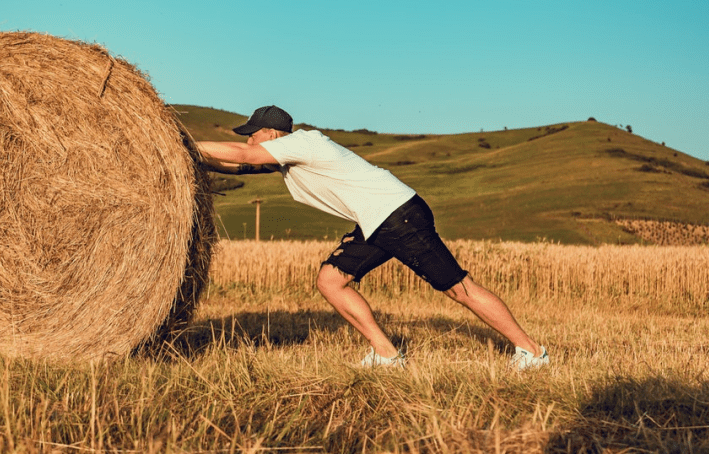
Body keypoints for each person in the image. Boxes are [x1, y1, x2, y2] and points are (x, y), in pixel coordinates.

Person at [196, 105, 549, 370]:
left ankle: (532, 352)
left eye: (252, 133)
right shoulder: (291, 157)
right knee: (331, 280)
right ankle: (386, 354)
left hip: (399, 215)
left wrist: (181, 140)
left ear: (271, 134)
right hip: (376, 220)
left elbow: (243, 155)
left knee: (459, 288)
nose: (248, 139)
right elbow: (240, 165)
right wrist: (191, 158)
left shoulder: (302, 144)